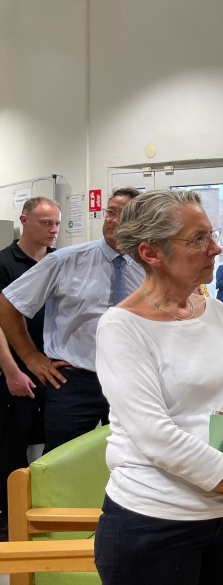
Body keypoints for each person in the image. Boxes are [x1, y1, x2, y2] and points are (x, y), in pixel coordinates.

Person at [94, 190, 223, 584]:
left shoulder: (214, 311)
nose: (215, 247)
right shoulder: (121, 327)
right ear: (151, 253)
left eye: (210, 235)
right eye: (198, 239)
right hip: (155, 524)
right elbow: (157, 436)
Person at [0, 188, 143, 453]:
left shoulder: (151, 267)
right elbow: (8, 303)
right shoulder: (64, 260)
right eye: (110, 212)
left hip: (132, 381)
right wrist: (32, 358)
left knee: (132, 461)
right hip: (76, 383)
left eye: (125, 215)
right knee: (59, 465)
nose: (114, 221)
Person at [0, 197, 60, 540]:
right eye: (44, 223)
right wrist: (11, 371)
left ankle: (45, 517)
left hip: (52, 371)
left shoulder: (58, 262)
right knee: (12, 446)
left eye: (55, 224)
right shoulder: (5, 263)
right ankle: (8, 521)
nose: (52, 230)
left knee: (51, 446)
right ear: (24, 220)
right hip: (17, 372)